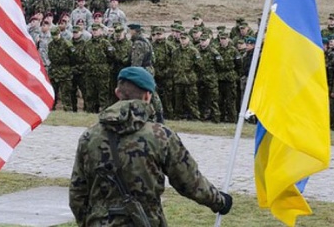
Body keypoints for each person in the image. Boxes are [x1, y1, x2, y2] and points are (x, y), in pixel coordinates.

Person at [69, 67, 232, 226]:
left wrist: (87, 221)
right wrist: (220, 202)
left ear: (117, 93)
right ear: (148, 96)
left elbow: (77, 192)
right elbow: (190, 183)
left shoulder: (89, 136)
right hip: (146, 220)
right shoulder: (161, 136)